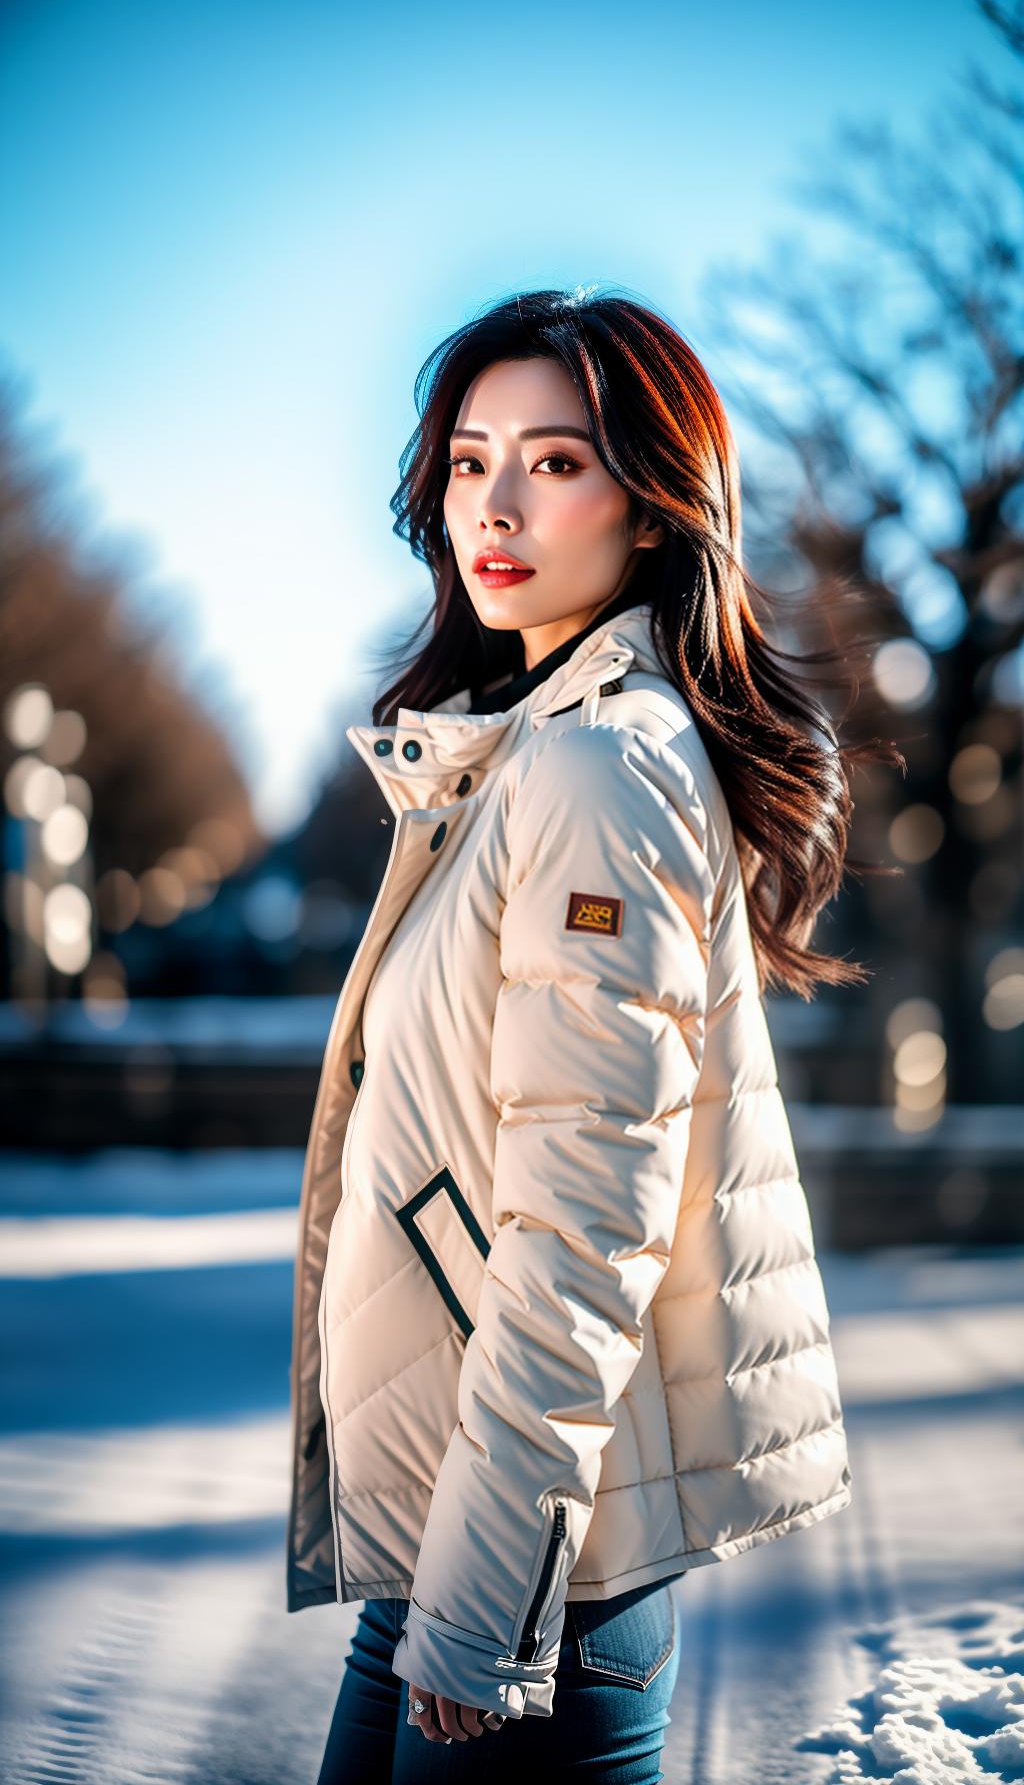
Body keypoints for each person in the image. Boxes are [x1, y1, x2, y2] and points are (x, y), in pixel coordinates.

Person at [287, 286, 882, 1783]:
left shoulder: (599, 770)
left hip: (532, 1579)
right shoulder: (528, 751)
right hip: (466, 1543)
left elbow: (585, 1225)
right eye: (470, 458)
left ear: (657, 505)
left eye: (557, 461)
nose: (494, 502)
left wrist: (489, 1604)